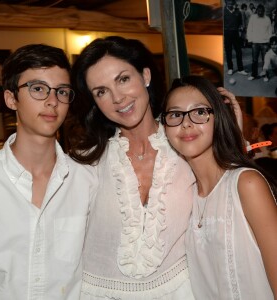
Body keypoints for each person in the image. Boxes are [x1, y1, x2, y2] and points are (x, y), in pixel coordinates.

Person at [68, 36, 240, 299]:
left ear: (145, 75)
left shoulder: (188, 145)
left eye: (123, 79)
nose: (117, 98)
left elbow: (229, 205)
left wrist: (233, 135)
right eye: (101, 91)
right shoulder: (85, 161)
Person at [0, 44, 98, 299]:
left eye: (62, 91)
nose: (52, 101)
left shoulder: (87, 180)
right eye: (38, 88)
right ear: (11, 99)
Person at [161, 75, 277, 299]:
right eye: (175, 114)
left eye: (200, 112)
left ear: (218, 117)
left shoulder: (246, 184)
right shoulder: (183, 196)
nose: (186, 123)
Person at [247, 4, 272, 80]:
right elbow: (249, 29)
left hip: (264, 43)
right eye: (259, 10)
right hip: (255, 43)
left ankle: (265, 75)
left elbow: (270, 31)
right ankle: (254, 75)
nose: (260, 12)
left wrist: (268, 41)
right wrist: (249, 39)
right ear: (256, 10)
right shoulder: (252, 18)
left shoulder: (267, 19)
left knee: (265, 60)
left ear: (264, 11)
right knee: (254, 60)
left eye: (261, 11)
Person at [224, 0, 248, 76]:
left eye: (231, 2)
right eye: (228, 2)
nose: (230, 4)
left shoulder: (238, 12)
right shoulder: (223, 12)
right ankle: (230, 68)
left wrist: (241, 28)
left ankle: (240, 69)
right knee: (228, 52)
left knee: (239, 52)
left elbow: (241, 23)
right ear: (226, 3)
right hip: (227, 33)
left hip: (236, 34)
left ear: (234, 3)